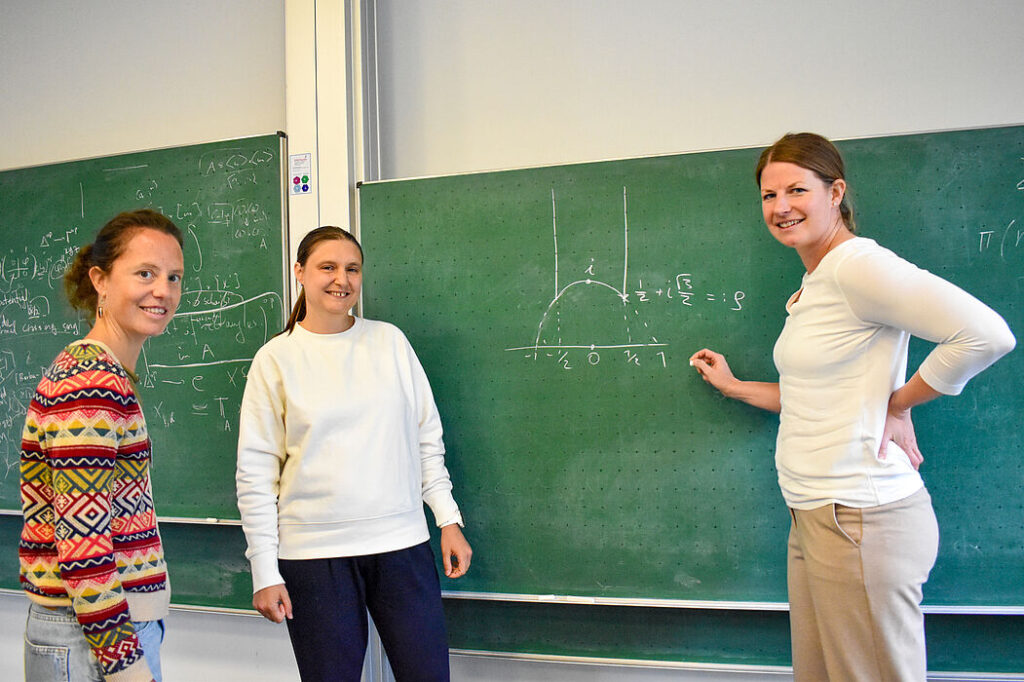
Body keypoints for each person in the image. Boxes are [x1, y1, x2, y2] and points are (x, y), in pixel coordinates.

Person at [689, 133, 1015, 682]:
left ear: (835, 191)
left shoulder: (854, 267)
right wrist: (736, 387)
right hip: (817, 515)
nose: (781, 207)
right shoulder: (818, 280)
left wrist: (901, 402)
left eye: (797, 190)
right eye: (769, 196)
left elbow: (985, 336)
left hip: (860, 519)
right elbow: (812, 396)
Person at [236, 225, 473, 682]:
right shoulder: (276, 359)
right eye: (327, 267)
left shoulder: (389, 343)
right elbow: (255, 472)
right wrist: (264, 569)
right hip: (313, 558)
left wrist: (448, 519)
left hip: (401, 545)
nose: (341, 279)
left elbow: (426, 438)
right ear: (300, 272)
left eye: (352, 269)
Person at [20, 209, 184, 682]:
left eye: (173, 277)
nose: (163, 291)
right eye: (145, 274)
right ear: (101, 280)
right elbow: (83, 543)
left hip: (95, 631)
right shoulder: (91, 384)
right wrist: (125, 667)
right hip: (96, 637)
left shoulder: (101, 372)